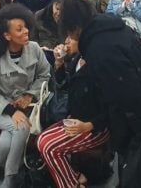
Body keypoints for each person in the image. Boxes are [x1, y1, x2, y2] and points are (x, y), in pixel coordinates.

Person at [58, 0, 141, 175]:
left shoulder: (98, 48)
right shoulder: (108, 28)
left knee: (136, 169)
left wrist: (100, 125)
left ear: (74, 27)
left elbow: (119, 94)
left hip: (135, 119)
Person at [0, 5, 50, 188]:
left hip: (26, 105)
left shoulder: (34, 48)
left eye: (25, 27)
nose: (26, 31)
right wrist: (11, 111)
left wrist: (29, 95)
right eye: (19, 29)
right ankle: (10, 176)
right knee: (21, 128)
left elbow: (44, 76)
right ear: (7, 36)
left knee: (8, 141)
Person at [37, 25, 110, 188]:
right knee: (41, 139)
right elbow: (65, 88)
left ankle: (73, 184)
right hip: (76, 118)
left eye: (71, 38)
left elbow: (112, 107)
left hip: (95, 127)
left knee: (47, 146)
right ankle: (75, 178)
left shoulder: (99, 65)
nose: (66, 41)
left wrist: (88, 125)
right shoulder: (77, 59)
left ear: (84, 40)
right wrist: (59, 63)